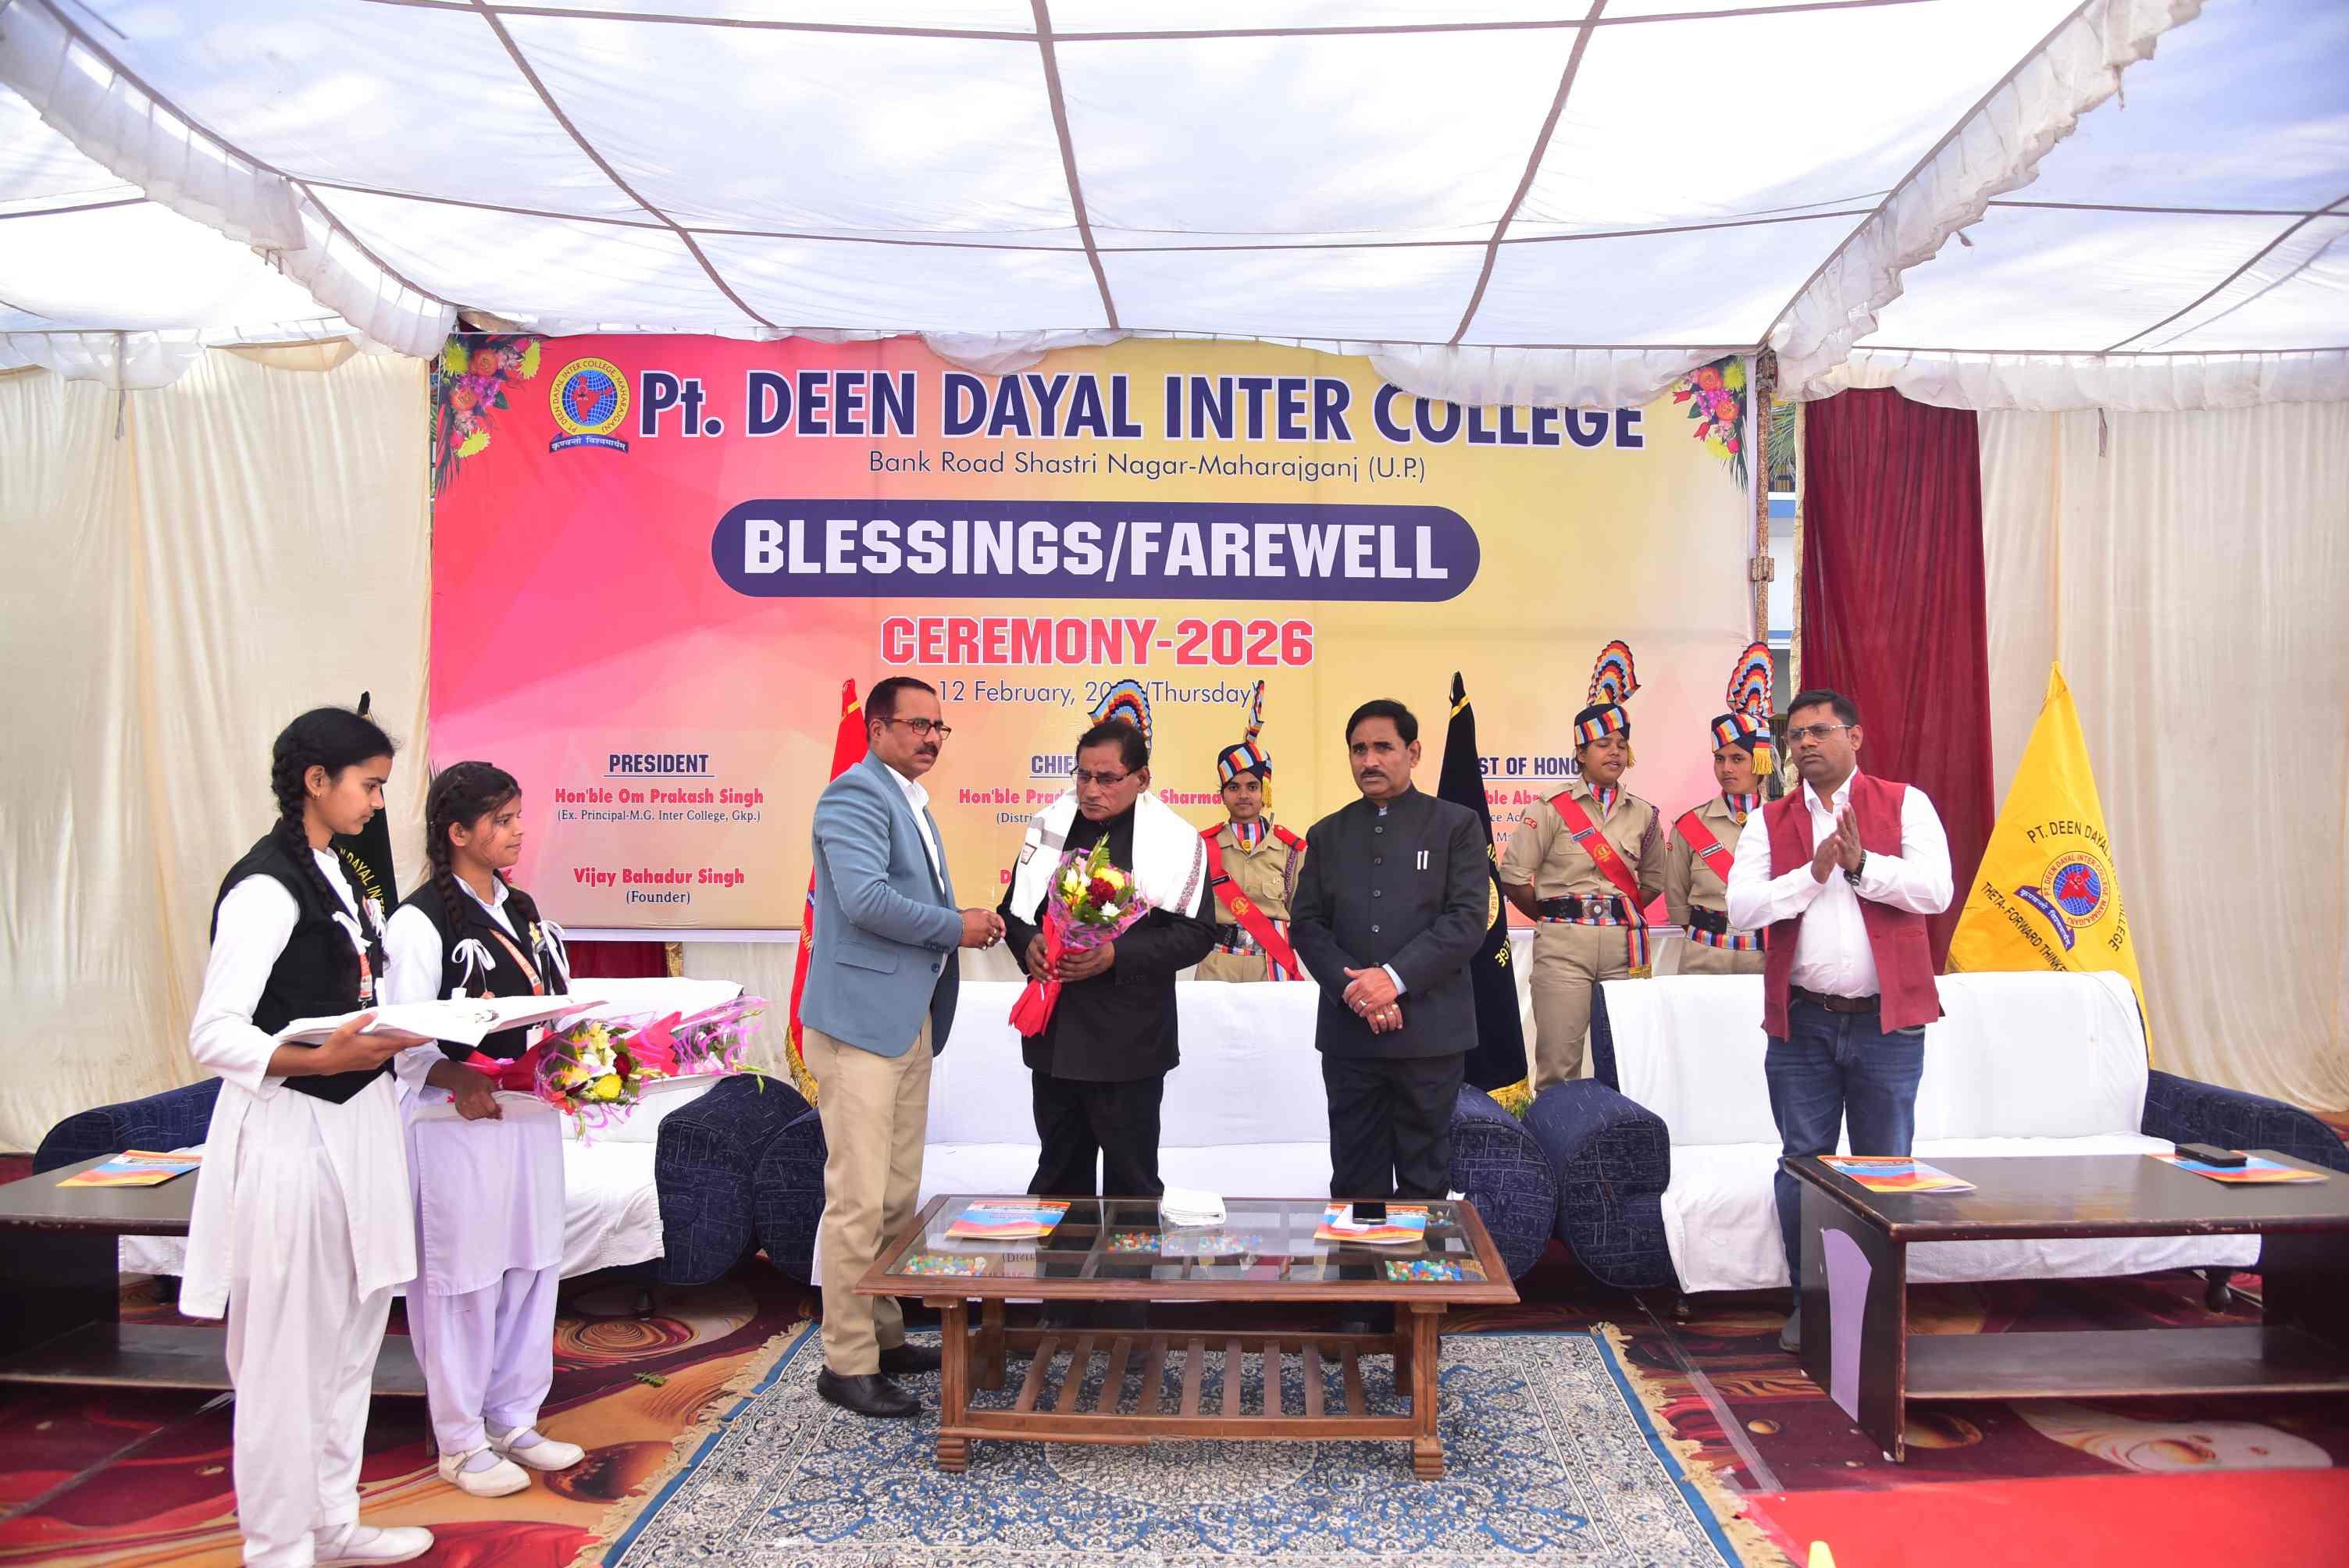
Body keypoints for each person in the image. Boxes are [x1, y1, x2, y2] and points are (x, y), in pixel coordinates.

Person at [185, 707, 437, 1567]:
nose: (377, 803)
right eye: (369, 785)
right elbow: (215, 1031)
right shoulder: (264, 886)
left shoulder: (340, 871)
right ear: (315, 782)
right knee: (285, 1357)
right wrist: (316, 1056)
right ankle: (278, 1545)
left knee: (351, 1342)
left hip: (361, 1125)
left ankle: (332, 1520)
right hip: (292, 1133)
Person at [1724, 688, 1952, 1353]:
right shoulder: (1768, 820)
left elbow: (1936, 891)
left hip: (1888, 1024)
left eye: (1819, 731)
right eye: (1795, 735)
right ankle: (1812, 1305)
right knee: (1803, 1164)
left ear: (1854, 737)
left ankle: (1880, 1310)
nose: (1805, 743)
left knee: (1886, 1167)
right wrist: (1813, 873)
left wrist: (1862, 866)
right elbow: (1742, 909)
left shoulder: (1906, 804)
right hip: (1803, 1024)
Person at [802, 676, 1004, 1419]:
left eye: (939, 727)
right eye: (918, 725)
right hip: (858, 1024)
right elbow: (864, 902)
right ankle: (846, 1363)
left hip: (906, 1019)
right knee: (857, 1201)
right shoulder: (854, 796)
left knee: (893, 1196)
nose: (931, 738)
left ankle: (883, 1336)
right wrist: (958, 926)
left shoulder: (910, 799)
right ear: (878, 728)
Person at [381, 762, 583, 1498]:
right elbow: (401, 1037)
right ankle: (461, 1441)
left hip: (527, 1117)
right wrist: (455, 1075)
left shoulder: (522, 907)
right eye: (502, 820)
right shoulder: (417, 923)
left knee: (531, 1265)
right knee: (463, 1280)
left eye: (518, 816)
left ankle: (513, 1418)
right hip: (452, 1125)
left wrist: (577, 1058)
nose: (518, 831)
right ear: (457, 832)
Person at [999, 690, 1217, 1199]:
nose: (1091, 790)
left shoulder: (1175, 840)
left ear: (1142, 779)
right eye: (1083, 776)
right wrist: (1028, 944)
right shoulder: (1050, 827)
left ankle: (1131, 1257)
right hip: (1055, 1037)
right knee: (1058, 1178)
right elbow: (1013, 910)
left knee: (1132, 1186)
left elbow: (1197, 934)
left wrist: (1117, 955)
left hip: (1129, 1040)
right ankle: (1059, 1255)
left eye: (1107, 778)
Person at [1289, 699, 1490, 1209]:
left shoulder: (1456, 825)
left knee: (1425, 1183)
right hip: (1351, 1036)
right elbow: (1307, 926)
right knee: (1355, 1181)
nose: (1369, 760)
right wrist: (1357, 991)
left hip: (1430, 1036)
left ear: (1413, 752)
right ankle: (1359, 1264)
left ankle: (1420, 1268)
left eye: (1383, 747)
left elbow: (1467, 920)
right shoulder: (1327, 833)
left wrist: (1393, 980)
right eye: (1358, 750)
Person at [1500, 640, 1664, 1088]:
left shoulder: (1644, 814)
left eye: (1621, 744)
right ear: (1580, 752)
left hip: (1623, 948)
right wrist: (1553, 914)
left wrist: (1618, 910)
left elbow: (1653, 881)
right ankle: (1556, 1135)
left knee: (1625, 1062)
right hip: (1563, 946)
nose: (1614, 752)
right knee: (1558, 1065)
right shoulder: (1550, 808)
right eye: (1602, 744)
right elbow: (1513, 878)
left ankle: (1621, 1134)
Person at [1663, 643, 1777, 977]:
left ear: (1759, 761)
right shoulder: (1690, 825)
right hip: (1705, 954)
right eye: (1719, 759)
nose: (1727, 768)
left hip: (1764, 958)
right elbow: (1678, 902)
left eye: (1737, 758)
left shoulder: (1783, 822)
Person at [1197, 681, 1306, 983]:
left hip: (1271, 965)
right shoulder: (1204, 846)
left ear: (1264, 791)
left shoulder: (1291, 849)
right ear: (1222, 794)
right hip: (1217, 963)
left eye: (1252, 787)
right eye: (1233, 787)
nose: (1243, 795)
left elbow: (1302, 915)